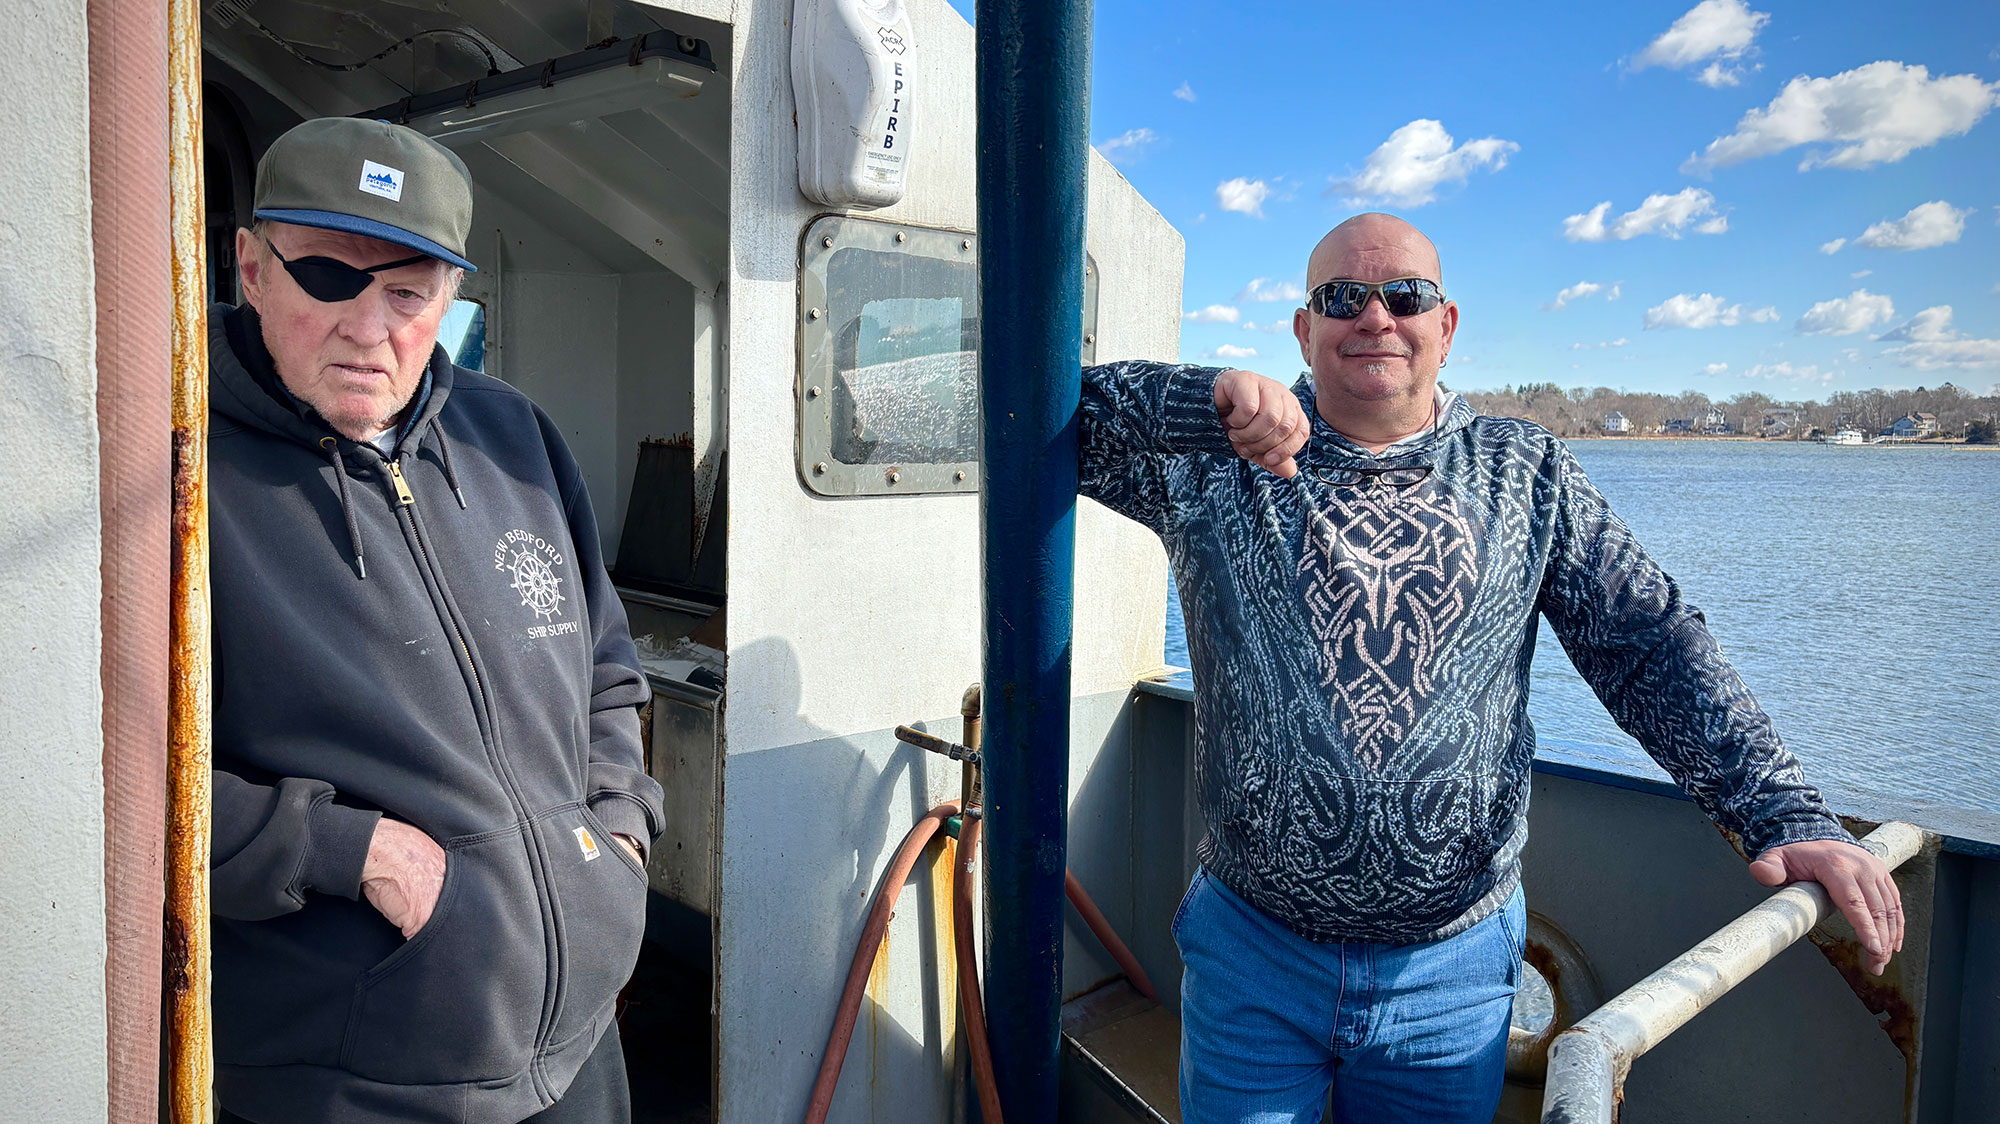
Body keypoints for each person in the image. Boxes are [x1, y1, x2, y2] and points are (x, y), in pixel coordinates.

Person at [1078, 212, 1902, 1123]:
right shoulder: (1211, 467)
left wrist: (1781, 811)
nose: (1376, 317)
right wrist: (1203, 398)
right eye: (1342, 298)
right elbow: (1038, 412)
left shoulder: (1527, 472)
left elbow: (1648, 644)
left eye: (1406, 296)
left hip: (1452, 979)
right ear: (1304, 330)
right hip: (1254, 955)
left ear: (1448, 325)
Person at [205, 117, 664, 1124]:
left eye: (408, 291)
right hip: (353, 1076)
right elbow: (115, 780)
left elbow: (606, 662)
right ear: (251, 264)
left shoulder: (516, 436)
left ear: (449, 296)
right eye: (327, 275)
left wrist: (617, 834)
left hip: (578, 1042)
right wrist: (357, 851)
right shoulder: (182, 474)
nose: (370, 328)